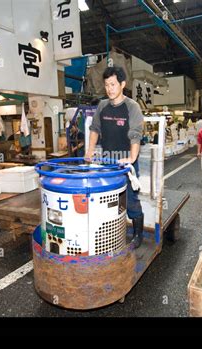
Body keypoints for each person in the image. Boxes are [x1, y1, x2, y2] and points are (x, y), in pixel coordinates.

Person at [85, 65, 145, 249]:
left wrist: (131, 158)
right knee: (108, 198)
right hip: (107, 162)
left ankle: (138, 235)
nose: (109, 89)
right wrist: (89, 150)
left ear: (122, 84)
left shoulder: (132, 107)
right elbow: (95, 129)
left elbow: (136, 134)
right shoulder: (102, 106)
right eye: (107, 85)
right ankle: (110, 232)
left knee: (131, 199)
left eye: (113, 84)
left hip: (126, 163)